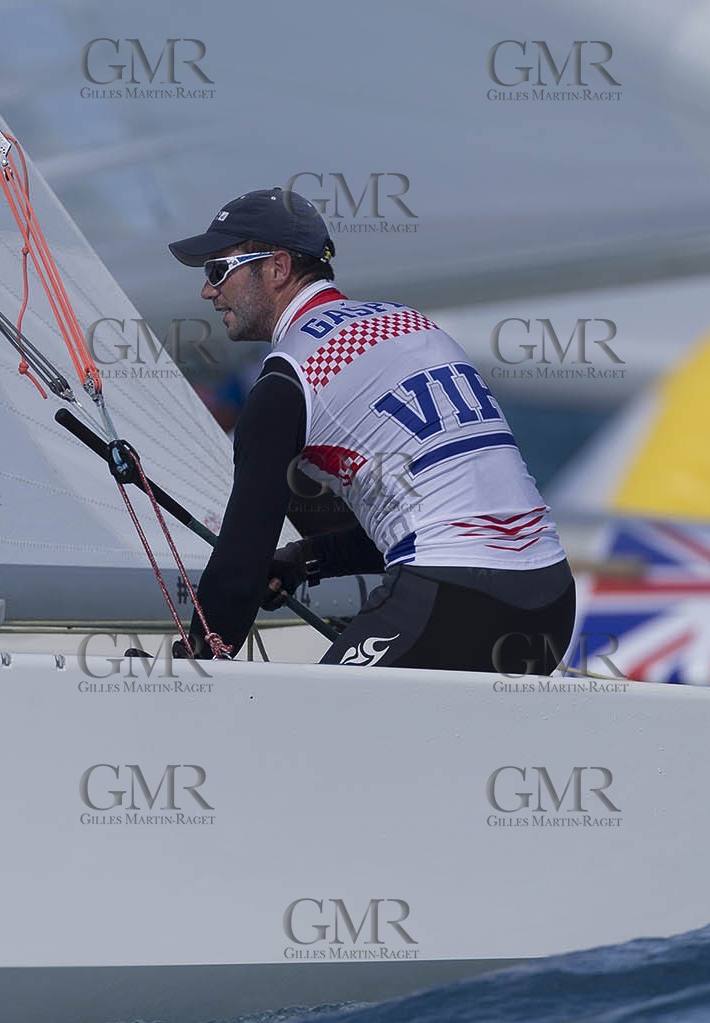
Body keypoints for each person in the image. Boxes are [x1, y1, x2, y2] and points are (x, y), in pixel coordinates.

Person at [167, 187, 576, 671]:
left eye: (219, 271)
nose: (208, 291)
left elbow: (242, 557)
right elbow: (434, 514)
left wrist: (198, 661)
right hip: (550, 600)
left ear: (276, 269)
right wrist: (305, 558)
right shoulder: (411, 325)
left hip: (453, 598)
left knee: (300, 737)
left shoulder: (289, 374)